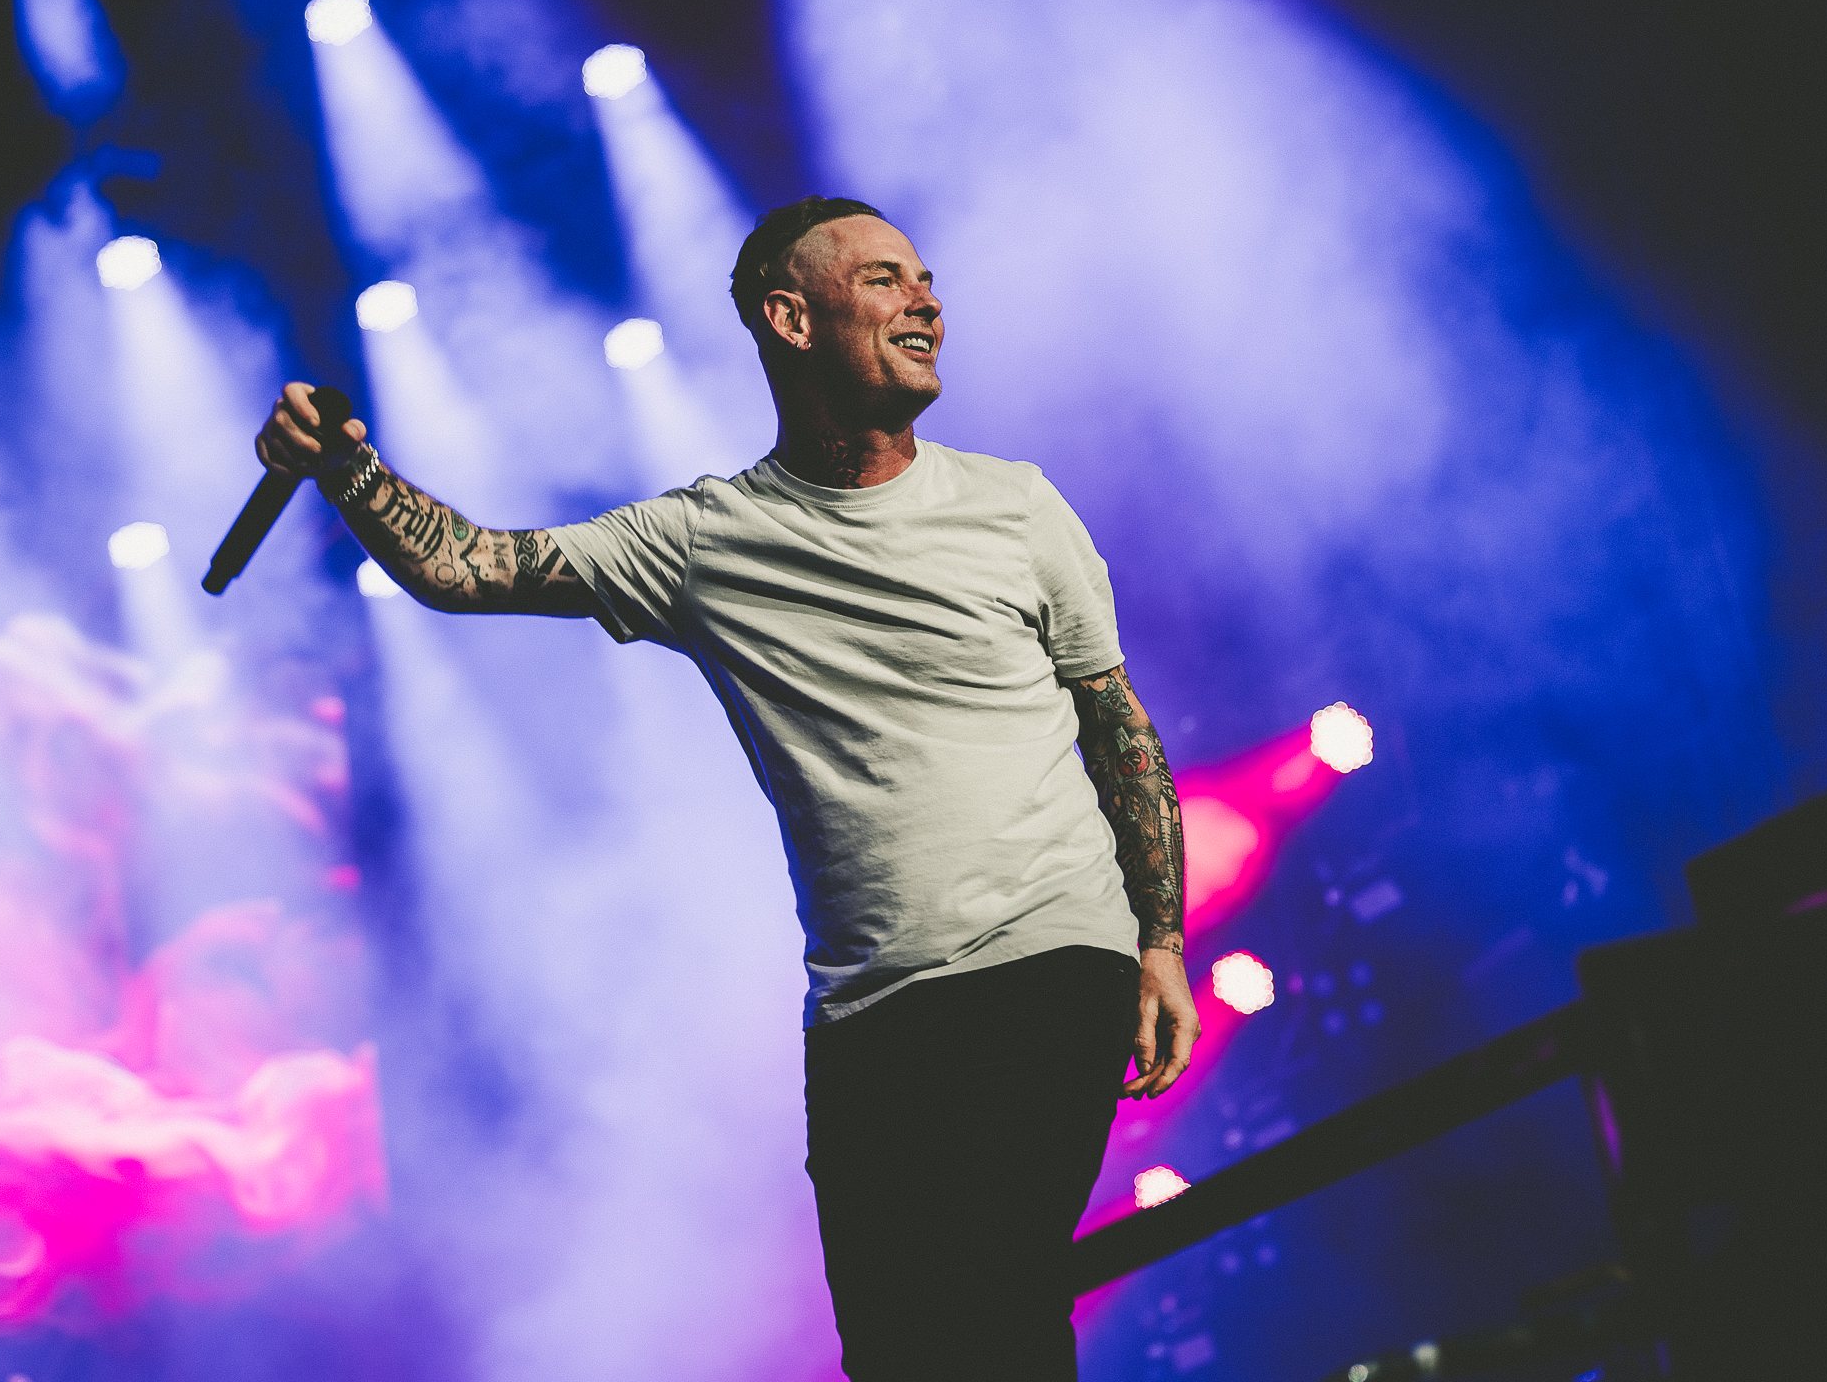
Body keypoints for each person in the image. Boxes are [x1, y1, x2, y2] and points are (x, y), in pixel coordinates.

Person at [256, 196, 1198, 1380]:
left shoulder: (1016, 504)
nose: (926, 299)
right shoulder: (708, 538)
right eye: (884, 278)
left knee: (990, 1292)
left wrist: (1160, 940)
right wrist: (345, 467)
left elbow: (1118, 727)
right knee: (902, 1354)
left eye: (924, 277)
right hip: (865, 1020)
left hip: (1047, 960)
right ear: (791, 319)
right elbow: (470, 568)